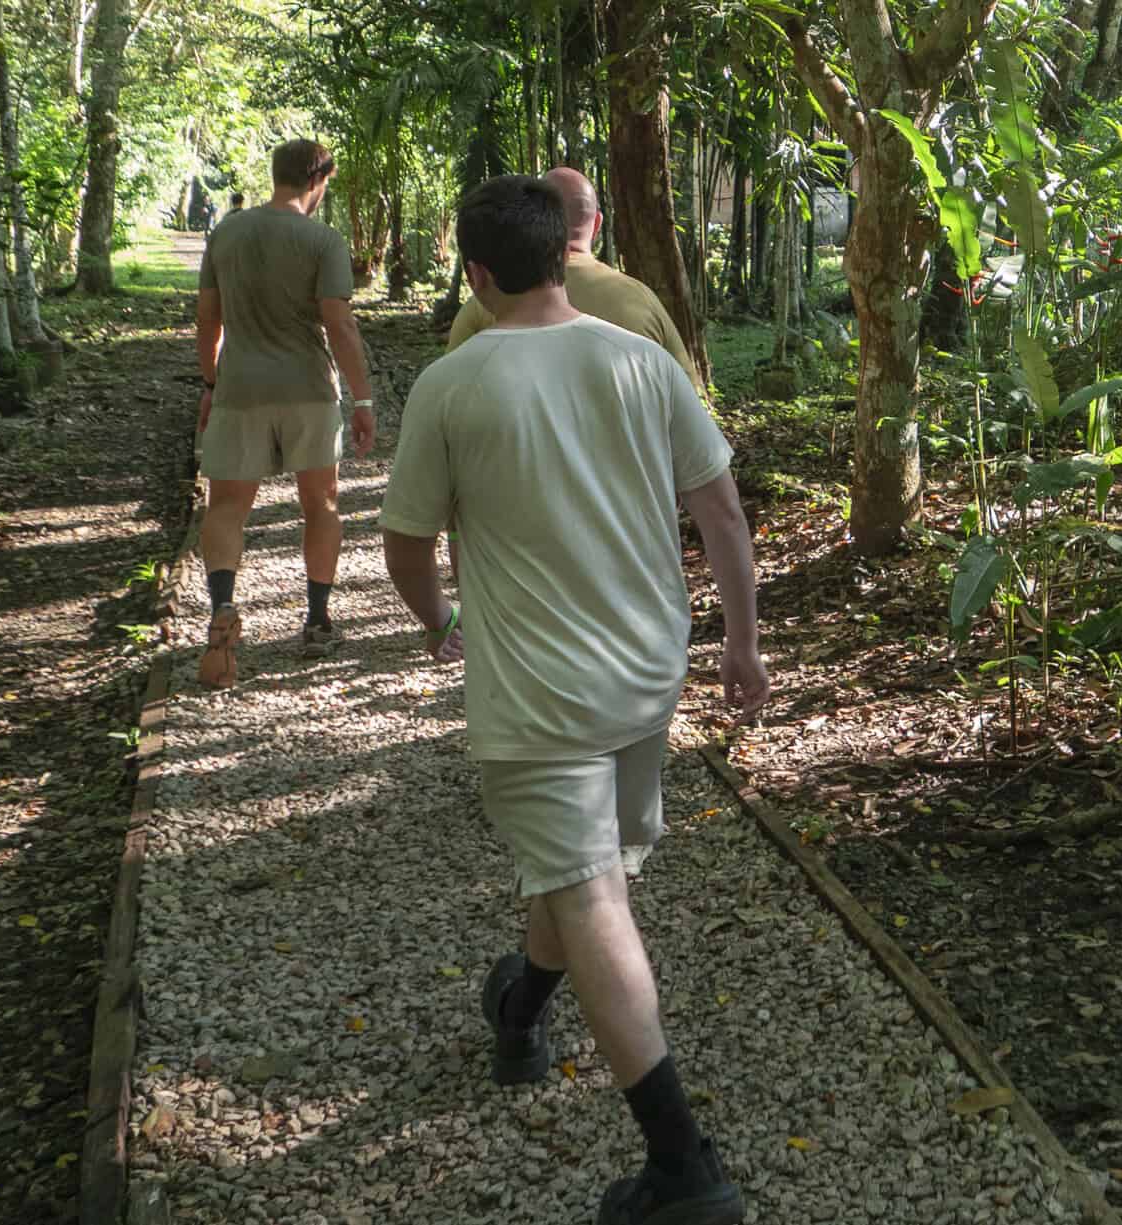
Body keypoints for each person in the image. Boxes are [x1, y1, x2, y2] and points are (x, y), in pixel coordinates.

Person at [379, 175, 768, 1225]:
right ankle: (520, 1003)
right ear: (567, 256)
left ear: (475, 272)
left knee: (595, 893)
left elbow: (407, 545)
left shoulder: (454, 383)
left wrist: (436, 621)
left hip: (540, 691)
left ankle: (683, 1167)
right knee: (578, 868)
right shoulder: (643, 359)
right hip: (649, 673)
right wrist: (741, 639)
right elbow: (721, 511)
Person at [444, 166, 703, 584]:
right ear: (597, 224)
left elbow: (451, 435)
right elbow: (689, 418)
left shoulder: (486, 303)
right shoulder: (641, 301)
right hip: (630, 537)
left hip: (518, 546)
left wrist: (459, 556)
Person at [195, 138, 375, 688]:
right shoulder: (322, 239)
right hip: (308, 390)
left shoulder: (225, 232)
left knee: (226, 506)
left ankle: (222, 607)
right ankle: (318, 620)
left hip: (240, 386)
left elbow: (208, 319)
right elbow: (339, 324)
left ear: (278, 174)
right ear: (319, 179)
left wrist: (210, 381)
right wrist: (363, 397)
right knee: (319, 502)